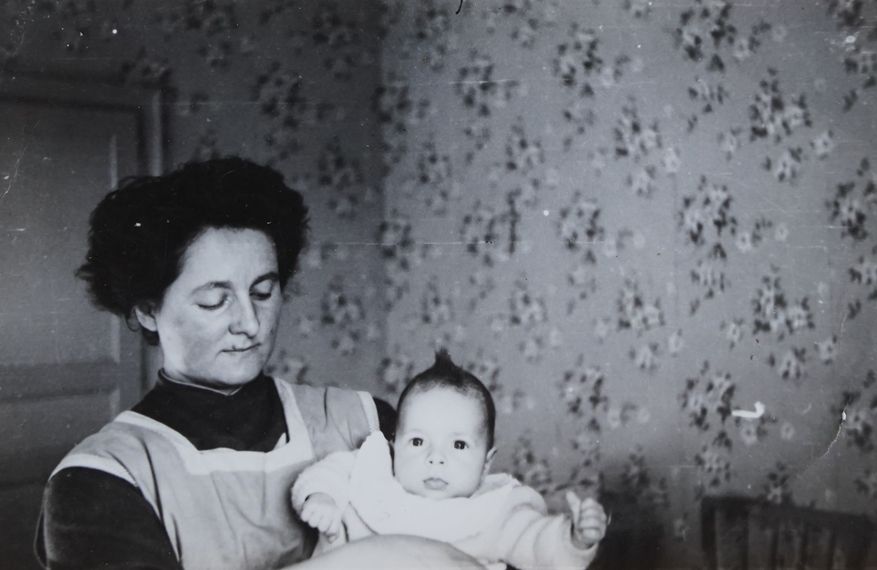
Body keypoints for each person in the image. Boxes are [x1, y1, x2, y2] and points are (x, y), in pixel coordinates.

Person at [35, 157, 484, 570]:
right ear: (148, 310)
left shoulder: (364, 423)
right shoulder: (102, 476)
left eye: (263, 293)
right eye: (215, 301)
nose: (249, 323)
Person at [292, 350, 609, 570]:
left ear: (486, 465)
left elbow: (540, 546)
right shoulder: (373, 478)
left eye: (458, 445)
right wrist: (322, 497)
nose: (435, 458)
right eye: (418, 442)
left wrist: (575, 538)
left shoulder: (494, 512)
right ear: (394, 447)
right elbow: (330, 471)